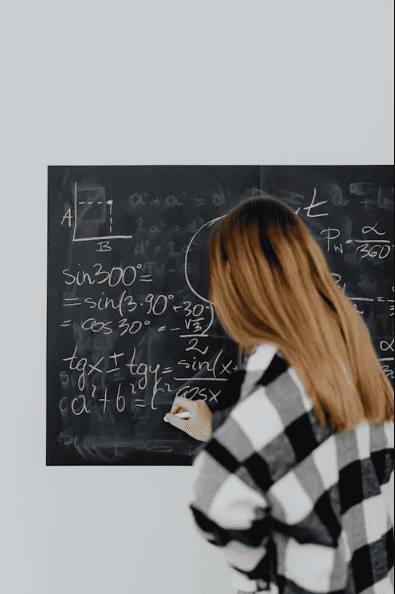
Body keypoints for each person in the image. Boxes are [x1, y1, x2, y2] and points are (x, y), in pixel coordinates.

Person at [165, 196, 394, 594]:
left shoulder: (278, 369)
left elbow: (215, 494)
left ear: (239, 282)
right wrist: (218, 428)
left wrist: (260, 571)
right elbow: (334, 446)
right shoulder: (345, 355)